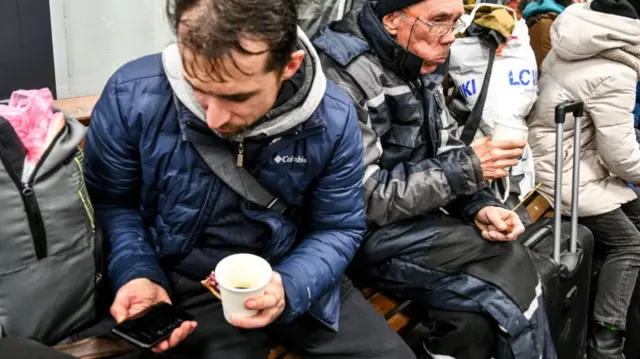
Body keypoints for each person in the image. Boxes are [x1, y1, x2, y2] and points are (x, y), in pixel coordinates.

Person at [82, 0, 415, 358]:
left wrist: (290, 285)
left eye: (238, 97)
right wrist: (138, 272)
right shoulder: (133, 94)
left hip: (295, 268)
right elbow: (113, 204)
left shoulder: (332, 118)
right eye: (197, 86)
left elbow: (338, 226)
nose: (213, 118)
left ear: (289, 65)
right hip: (181, 278)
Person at [312, 0, 556, 358]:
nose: (450, 37)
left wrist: (479, 204)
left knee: (474, 321)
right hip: (355, 238)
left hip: (411, 221)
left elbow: (442, 144)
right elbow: (361, 199)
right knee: (510, 271)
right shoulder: (343, 76)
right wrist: (468, 170)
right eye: (439, 20)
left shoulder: (418, 56)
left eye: (457, 21)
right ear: (391, 19)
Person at [527, 0, 640, 357]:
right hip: (566, 173)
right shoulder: (615, 70)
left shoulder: (572, 42)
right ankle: (606, 342)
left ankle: (611, 308)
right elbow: (619, 153)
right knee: (630, 244)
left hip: (555, 159)